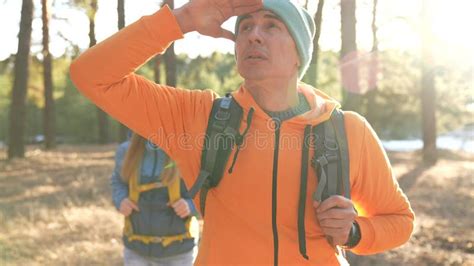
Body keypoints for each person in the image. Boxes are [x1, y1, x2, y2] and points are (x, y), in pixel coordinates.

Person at [71, 0, 415, 264]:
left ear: (299, 52)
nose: (253, 34)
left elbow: (399, 221)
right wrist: (182, 20)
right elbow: (90, 74)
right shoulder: (199, 118)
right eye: (245, 26)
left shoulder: (347, 130)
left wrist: (355, 232)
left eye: (272, 26)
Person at [111, 132, 197, 265]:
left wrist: (190, 205)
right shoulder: (126, 151)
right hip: (136, 250)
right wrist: (121, 199)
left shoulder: (188, 151)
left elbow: (205, 192)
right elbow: (118, 180)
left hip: (179, 252)